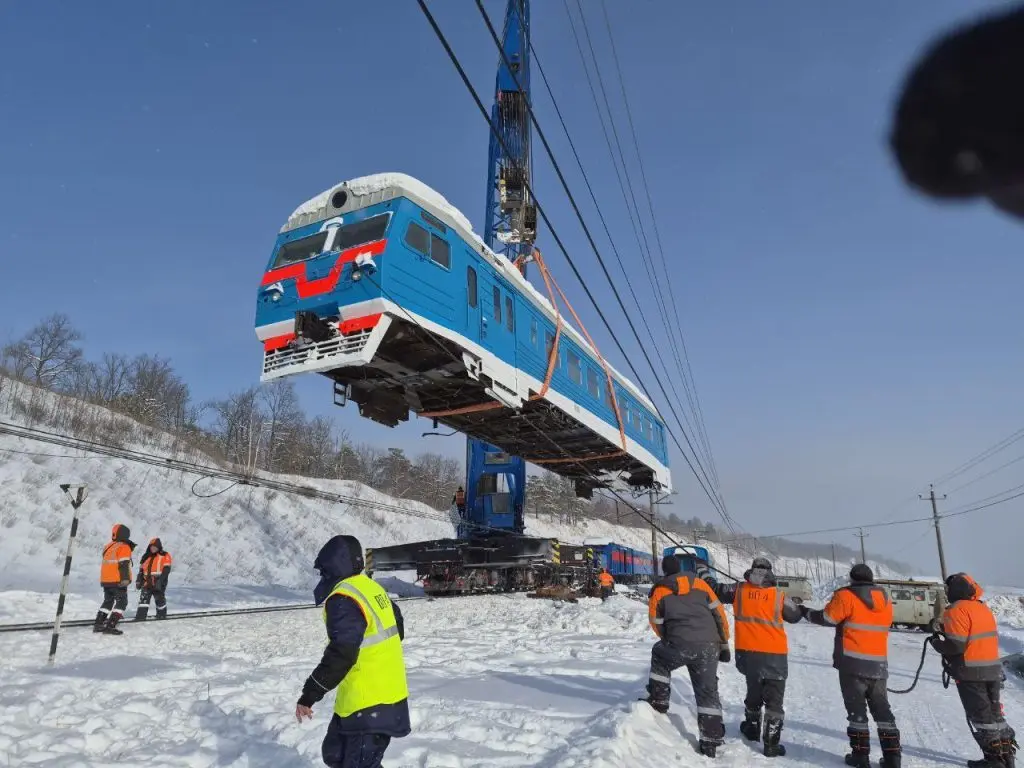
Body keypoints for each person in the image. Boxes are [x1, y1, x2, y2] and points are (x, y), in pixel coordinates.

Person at [295, 535, 411, 768]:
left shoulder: (344, 598)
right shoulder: (370, 587)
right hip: (376, 697)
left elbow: (342, 653)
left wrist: (310, 694)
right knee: (334, 754)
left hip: (369, 704)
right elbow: (398, 627)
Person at [803, 564, 901, 768]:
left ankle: (860, 756)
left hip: (852, 664)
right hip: (878, 665)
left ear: (852, 579)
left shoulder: (846, 596)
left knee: (857, 712)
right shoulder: (884, 598)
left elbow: (828, 618)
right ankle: (893, 759)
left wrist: (806, 613)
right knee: (883, 711)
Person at [714, 557, 803, 757]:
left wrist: (703, 571)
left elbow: (716, 589)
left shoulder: (737, 590)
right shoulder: (779, 595)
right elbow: (795, 616)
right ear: (770, 573)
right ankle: (771, 744)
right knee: (775, 700)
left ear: (752, 570)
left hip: (748, 653)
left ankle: (752, 728)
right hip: (775, 654)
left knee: (753, 689)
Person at [644, 554, 730, 758]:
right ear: (681, 568)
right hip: (709, 646)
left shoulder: (660, 590)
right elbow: (719, 614)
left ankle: (659, 701)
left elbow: (655, 620)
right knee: (707, 690)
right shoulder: (701, 585)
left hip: (678, 644)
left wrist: (667, 638)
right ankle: (711, 740)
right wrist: (723, 642)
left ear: (665, 571)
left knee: (659, 655)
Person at [929, 573, 1017, 768]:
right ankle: (1007, 756)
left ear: (953, 590)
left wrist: (936, 642)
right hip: (992, 670)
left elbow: (956, 646)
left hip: (971, 673)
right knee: (995, 715)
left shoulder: (955, 610)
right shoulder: (982, 608)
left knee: (981, 717)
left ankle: (993, 760)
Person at [94, 523, 136, 635]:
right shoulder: (124, 546)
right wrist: (125, 579)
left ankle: (98, 623)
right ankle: (111, 625)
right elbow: (123, 563)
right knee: (122, 602)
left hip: (106, 580)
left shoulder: (108, 546)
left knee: (108, 601)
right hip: (117, 581)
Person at [134, 538, 172, 621]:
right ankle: (140, 617)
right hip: (146, 582)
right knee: (143, 600)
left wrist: (160, 581)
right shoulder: (146, 557)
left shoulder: (165, 555)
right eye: (151, 546)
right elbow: (141, 571)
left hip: (159, 581)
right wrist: (138, 580)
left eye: (155, 546)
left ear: (159, 547)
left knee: (159, 600)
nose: (153, 548)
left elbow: (166, 570)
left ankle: (161, 616)